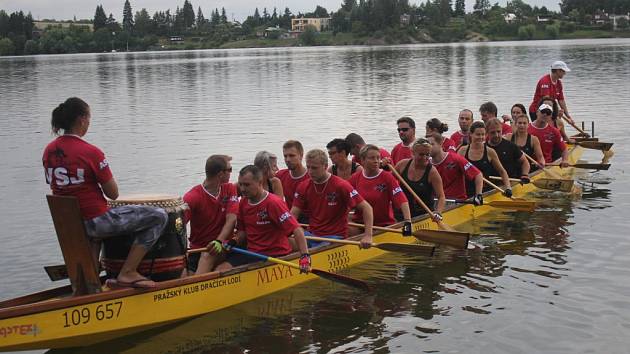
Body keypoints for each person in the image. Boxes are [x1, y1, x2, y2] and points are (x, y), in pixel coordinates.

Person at [43, 97, 168, 289]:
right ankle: (127, 272)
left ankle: (88, 286)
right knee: (159, 216)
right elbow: (114, 194)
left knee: (101, 227)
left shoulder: (49, 150)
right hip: (95, 222)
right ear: (82, 119)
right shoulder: (90, 152)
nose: (89, 124)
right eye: (89, 119)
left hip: (70, 224)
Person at [215, 165, 311, 272]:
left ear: (260, 183)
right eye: (240, 184)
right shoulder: (243, 202)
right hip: (252, 252)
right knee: (218, 262)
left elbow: (296, 229)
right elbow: (242, 232)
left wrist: (305, 256)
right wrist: (233, 241)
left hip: (274, 254)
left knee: (222, 269)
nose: (242, 189)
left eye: (247, 185)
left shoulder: (273, 203)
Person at [291, 149, 375, 248]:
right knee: (286, 240)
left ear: (325, 167)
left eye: (314, 168)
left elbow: (367, 208)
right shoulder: (303, 186)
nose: (310, 172)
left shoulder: (341, 185)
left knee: (319, 248)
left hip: (334, 237)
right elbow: (293, 214)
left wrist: (368, 235)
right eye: (308, 167)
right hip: (311, 235)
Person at [182, 155, 238, 274]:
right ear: (220, 175)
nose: (231, 173)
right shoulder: (192, 197)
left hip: (222, 246)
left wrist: (218, 241)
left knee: (207, 256)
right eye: (230, 169)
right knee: (184, 272)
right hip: (198, 249)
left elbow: (232, 219)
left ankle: (196, 283)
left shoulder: (229, 189)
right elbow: (180, 227)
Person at [348, 144, 413, 234]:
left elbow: (402, 200)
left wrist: (408, 222)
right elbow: (344, 199)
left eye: (378, 158)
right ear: (362, 160)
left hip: (384, 225)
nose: (376, 161)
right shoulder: (355, 178)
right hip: (361, 223)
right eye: (372, 158)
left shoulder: (387, 177)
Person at [394, 138, 446, 220]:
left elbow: (441, 196)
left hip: (423, 215)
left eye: (427, 154)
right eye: (421, 154)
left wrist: (438, 212)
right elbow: (388, 181)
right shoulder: (402, 165)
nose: (425, 158)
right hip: (402, 214)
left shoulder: (432, 172)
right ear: (413, 153)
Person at [457, 121, 512, 196]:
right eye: (478, 134)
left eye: (483, 134)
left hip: (485, 191)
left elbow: (502, 171)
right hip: (467, 191)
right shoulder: (462, 151)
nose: (481, 137)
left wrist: (508, 188)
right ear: (471, 134)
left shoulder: (490, 152)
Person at [429, 133, 484, 203]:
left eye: (432, 144)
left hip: (457, 202)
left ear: (440, 144)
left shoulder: (455, 158)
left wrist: (478, 195)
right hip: (437, 202)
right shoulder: (427, 164)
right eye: (427, 145)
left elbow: (478, 175)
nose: (429, 148)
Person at [528, 61, 575, 125]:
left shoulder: (559, 83)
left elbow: (561, 100)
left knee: (555, 127)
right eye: (563, 71)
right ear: (558, 71)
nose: (565, 73)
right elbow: (546, 100)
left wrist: (568, 116)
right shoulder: (545, 81)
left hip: (550, 110)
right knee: (544, 130)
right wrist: (557, 112)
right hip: (537, 110)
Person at [276, 140, 309, 211]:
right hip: (289, 216)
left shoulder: (311, 176)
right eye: (285, 156)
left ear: (301, 155)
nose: (288, 159)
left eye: (292, 156)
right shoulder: (280, 175)